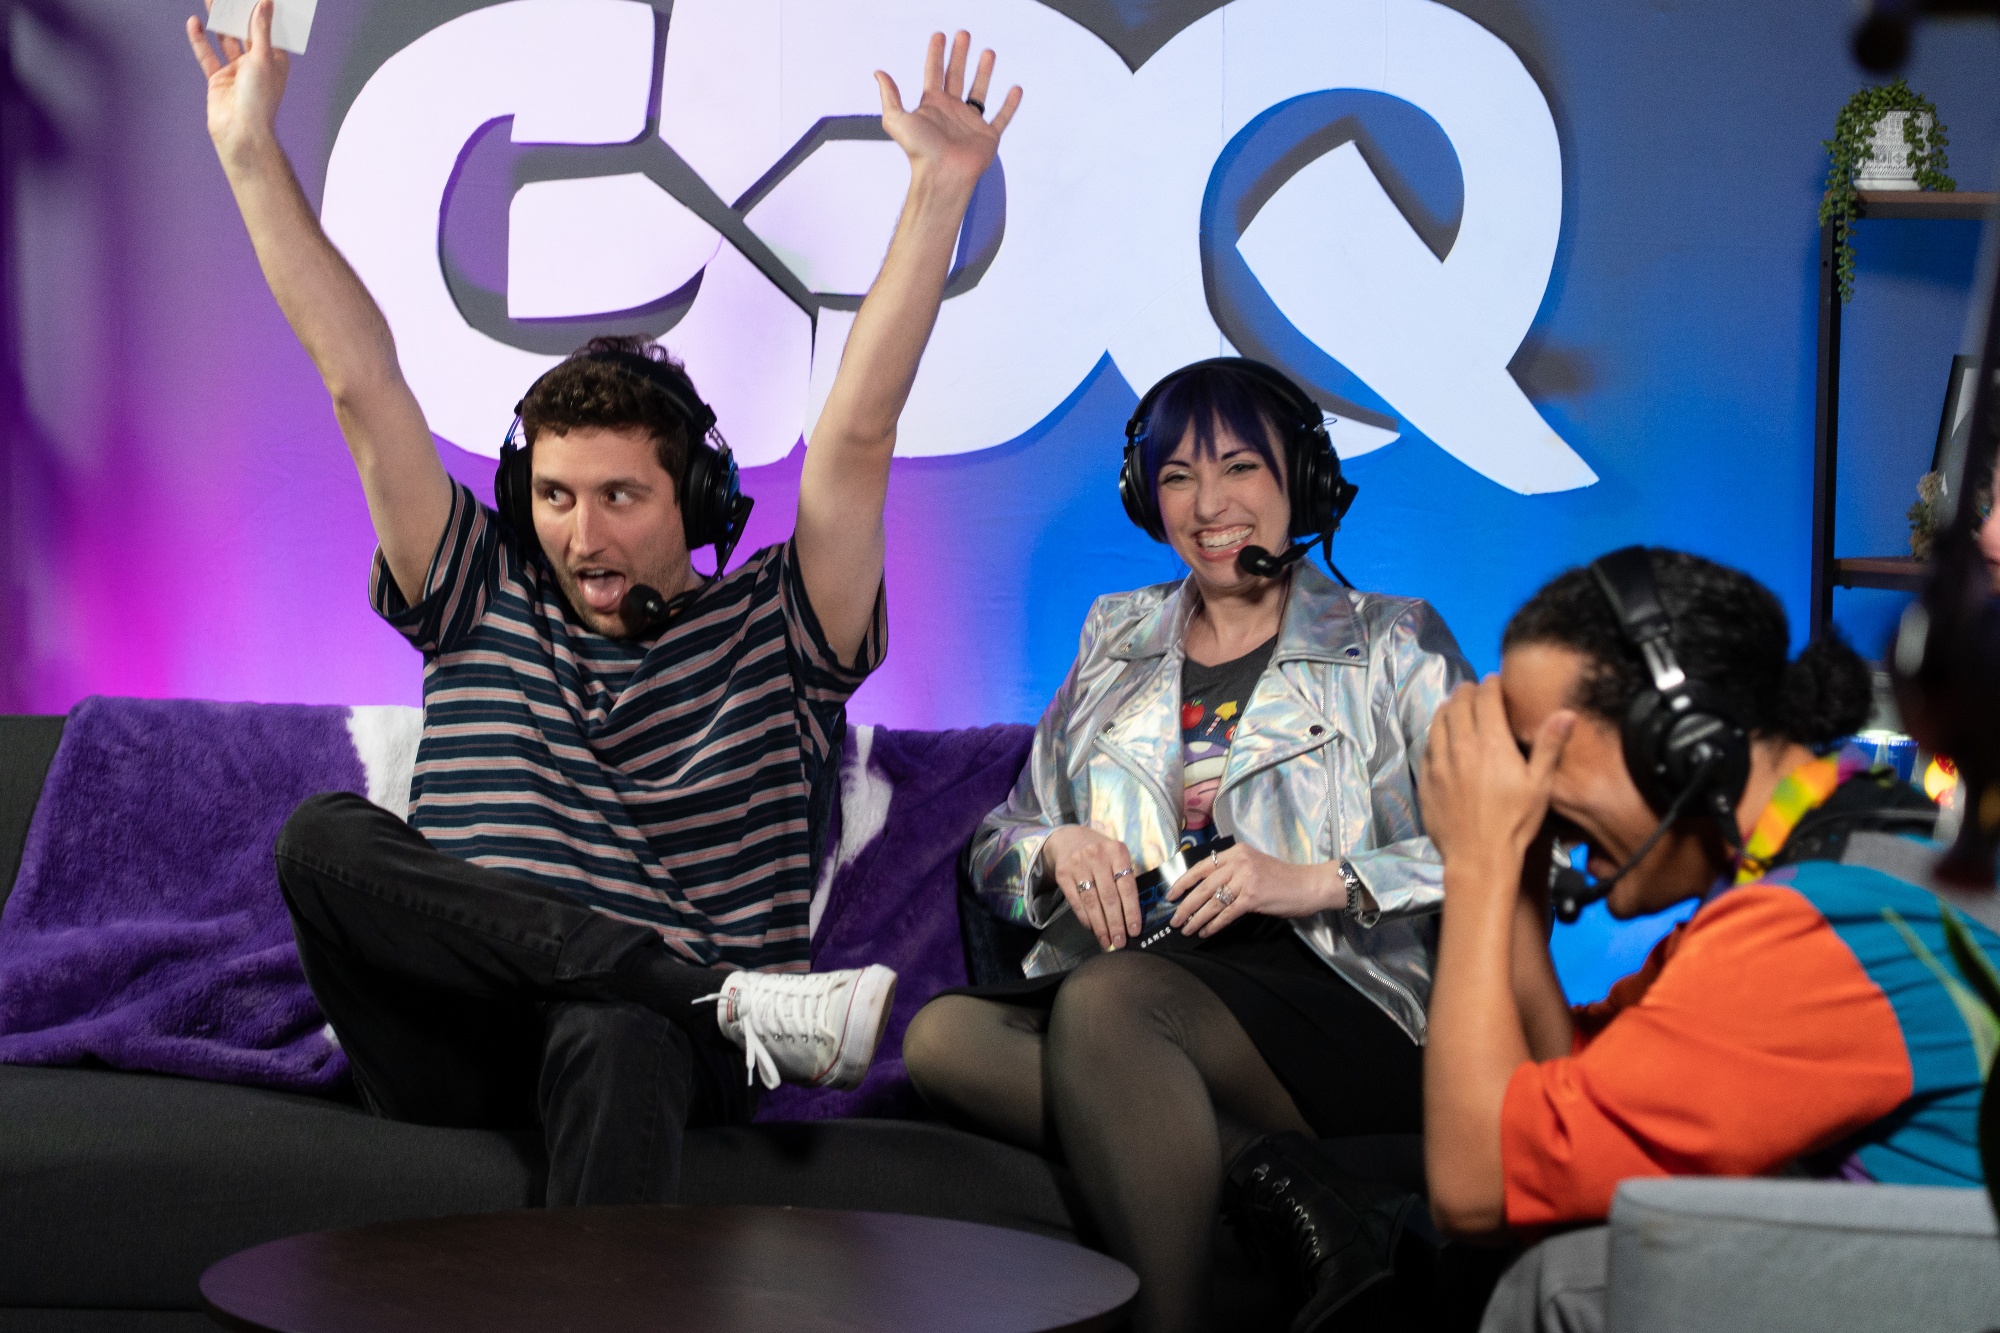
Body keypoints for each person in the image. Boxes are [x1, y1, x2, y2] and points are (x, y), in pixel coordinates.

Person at [189, 1, 1022, 1203]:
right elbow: (359, 380)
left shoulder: (778, 631)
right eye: (556, 495)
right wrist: (249, 153)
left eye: (621, 496)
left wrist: (936, 195)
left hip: (663, 1052)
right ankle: (705, 989)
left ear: (696, 501)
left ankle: (673, 1023)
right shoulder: (478, 589)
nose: (581, 534)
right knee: (322, 836)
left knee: (618, 1029)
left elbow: (858, 434)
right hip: (462, 1032)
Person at [903, 358, 1475, 1333]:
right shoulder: (1114, 635)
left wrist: (1320, 881)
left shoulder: (1392, 643)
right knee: (942, 1037)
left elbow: (1512, 853)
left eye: (1239, 467)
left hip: (1337, 993)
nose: (1208, 506)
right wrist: (1055, 847)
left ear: (1303, 479)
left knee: (1108, 1000)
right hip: (1157, 974)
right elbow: (999, 840)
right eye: (1177, 476)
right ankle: (1294, 1183)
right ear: (1145, 496)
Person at [1418, 546, 1995, 1333]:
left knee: (1565, 1277)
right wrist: (1515, 868)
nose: (1531, 792)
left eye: (1550, 756)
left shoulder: (1815, 927)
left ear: (1682, 746)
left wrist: (1475, 863)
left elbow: (1477, 1186)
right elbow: (1567, 1093)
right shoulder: (1840, 838)